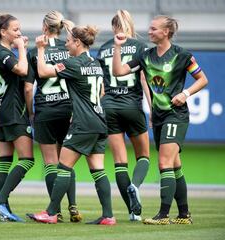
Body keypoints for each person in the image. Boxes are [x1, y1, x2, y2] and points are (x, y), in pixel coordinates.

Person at [112, 15, 208, 225]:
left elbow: (203, 79)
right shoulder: (146, 56)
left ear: (166, 32)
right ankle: (184, 215)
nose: (149, 31)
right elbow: (118, 71)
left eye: (154, 29)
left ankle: (163, 215)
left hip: (176, 115)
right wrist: (118, 48)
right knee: (174, 165)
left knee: (164, 162)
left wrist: (185, 94)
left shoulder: (182, 55)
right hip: (159, 117)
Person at [28, 25, 116, 225]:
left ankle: (51, 213)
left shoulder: (72, 63)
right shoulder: (96, 63)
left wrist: (41, 48)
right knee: (98, 170)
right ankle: (108, 215)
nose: (65, 44)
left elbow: (42, 71)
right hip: (100, 121)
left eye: (68, 40)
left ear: (77, 42)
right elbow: (101, 91)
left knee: (63, 167)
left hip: (83, 124)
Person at [24, 10, 82, 223]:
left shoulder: (34, 52)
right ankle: (73, 206)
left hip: (46, 110)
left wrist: (31, 113)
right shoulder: (70, 49)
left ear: (44, 27)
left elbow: (29, 89)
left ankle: (54, 211)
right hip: (68, 110)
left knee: (50, 162)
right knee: (67, 162)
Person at [97, 10, 151, 221]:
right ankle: (134, 186)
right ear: (130, 25)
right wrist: (152, 108)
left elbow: (100, 86)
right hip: (132, 105)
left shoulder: (103, 49)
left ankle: (132, 212)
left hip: (108, 106)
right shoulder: (141, 47)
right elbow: (145, 80)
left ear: (113, 27)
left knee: (120, 162)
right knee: (144, 156)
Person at [0, 13, 34, 222]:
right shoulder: (2, 52)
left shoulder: (1, 52)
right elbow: (22, 69)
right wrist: (22, 48)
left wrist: (17, 48)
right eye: (15, 29)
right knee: (27, 159)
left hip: (2, 110)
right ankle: (0, 201)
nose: (19, 32)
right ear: (2, 32)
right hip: (15, 111)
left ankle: (3, 207)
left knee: (5, 161)